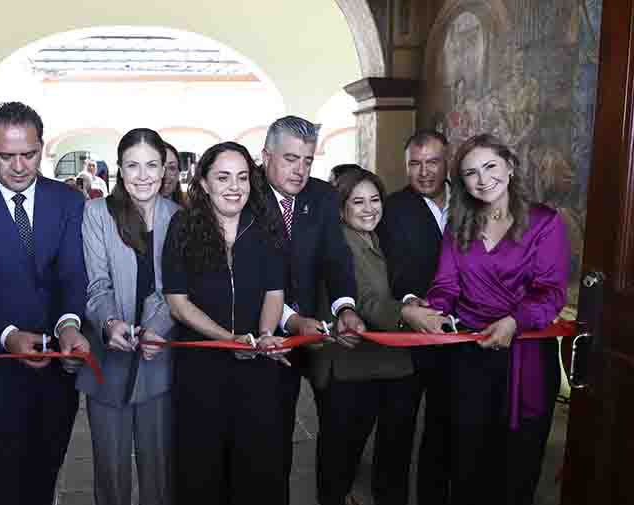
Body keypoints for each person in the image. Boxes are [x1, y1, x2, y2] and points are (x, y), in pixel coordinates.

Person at [0, 101, 91, 505]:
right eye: (6, 156)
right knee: (7, 470)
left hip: (58, 358)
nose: (19, 166)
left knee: (48, 465)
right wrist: (7, 334)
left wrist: (69, 324)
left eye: (28, 153)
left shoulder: (68, 201)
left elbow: (73, 272)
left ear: (41, 147)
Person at [423, 134, 568, 505]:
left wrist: (514, 322)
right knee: (467, 458)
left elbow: (551, 292)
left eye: (490, 167)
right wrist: (432, 312)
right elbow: (444, 285)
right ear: (462, 183)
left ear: (510, 166)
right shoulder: (458, 228)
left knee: (518, 462)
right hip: (469, 355)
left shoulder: (545, 222)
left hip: (526, 356)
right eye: (471, 173)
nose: (483, 179)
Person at [308, 169, 448, 505]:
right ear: (341, 209)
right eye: (358, 201)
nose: (369, 208)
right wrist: (406, 313)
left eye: (374, 200)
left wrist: (411, 300)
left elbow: (390, 286)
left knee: (393, 453)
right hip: (351, 367)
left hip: (389, 363)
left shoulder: (376, 236)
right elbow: (365, 299)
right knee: (340, 458)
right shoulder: (339, 242)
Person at [164, 141, 289, 505]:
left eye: (242, 177)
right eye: (223, 177)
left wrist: (265, 335)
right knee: (201, 470)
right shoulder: (183, 226)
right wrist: (229, 339)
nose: (234, 187)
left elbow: (274, 291)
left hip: (257, 368)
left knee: (256, 468)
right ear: (203, 183)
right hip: (200, 369)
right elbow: (177, 303)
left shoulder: (265, 226)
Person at [259, 116, 365, 494]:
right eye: (290, 159)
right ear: (266, 155)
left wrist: (345, 309)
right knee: (271, 445)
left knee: (339, 433)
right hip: (267, 338)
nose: (299, 170)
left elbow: (336, 261)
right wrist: (290, 320)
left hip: (319, 334)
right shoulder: (245, 194)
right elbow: (246, 276)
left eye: (307, 160)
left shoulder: (320, 197)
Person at [78, 128, 179, 505]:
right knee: (110, 468)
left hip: (158, 357)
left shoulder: (178, 217)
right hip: (109, 357)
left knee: (159, 469)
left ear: (165, 169)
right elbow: (96, 281)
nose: (143, 175)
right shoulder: (97, 213)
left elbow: (177, 288)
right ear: (119, 169)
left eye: (152, 165)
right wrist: (108, 323)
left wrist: (158, 327)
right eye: (133, 166)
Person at [375, 129, 452, 505]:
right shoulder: (392, 208)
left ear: (447, 162)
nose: (424, 172)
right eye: (415, 164)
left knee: (443, 425)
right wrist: (408, 301)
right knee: (397, 423)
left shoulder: (472, 202)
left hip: (457, 336)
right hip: (407, 333)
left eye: (432, 162)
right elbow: (384, 268)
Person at [161, 142, 186, 206]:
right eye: (160, 167)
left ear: (178, 173)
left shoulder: (189, 212)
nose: (166, 174)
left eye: (172, 168)